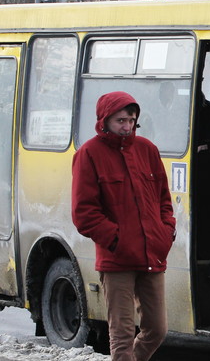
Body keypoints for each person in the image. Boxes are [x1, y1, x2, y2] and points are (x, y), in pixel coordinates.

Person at [72, 91, 176, 361]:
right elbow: (84, 213)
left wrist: (166, 232)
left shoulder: (147, 150)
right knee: (122, 336)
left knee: (157, 329)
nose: (127, 126)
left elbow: (164, 199)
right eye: (121, 120)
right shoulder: (89, 154)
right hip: (116, 259)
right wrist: (117, 240)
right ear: (104, 120)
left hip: (152, 254)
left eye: (131, 120)